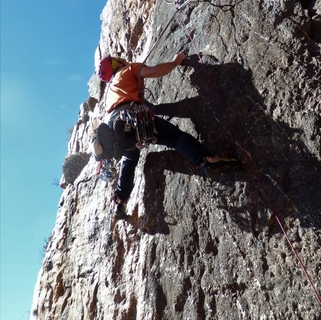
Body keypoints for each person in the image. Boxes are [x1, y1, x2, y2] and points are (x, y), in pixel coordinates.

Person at [96, 53, 239, 218]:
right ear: (115, 64)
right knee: (174, 137)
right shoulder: (128, 69)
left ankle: (120, 201)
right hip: (132, 116)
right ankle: (208, 160)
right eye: (117, 58)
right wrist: (175, 61)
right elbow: (156, 71)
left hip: (115, 126)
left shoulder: (110, 92)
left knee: (129, 157)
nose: (121, 58)